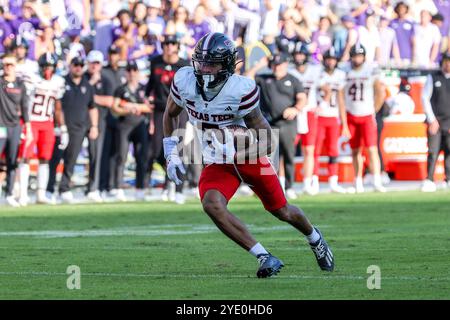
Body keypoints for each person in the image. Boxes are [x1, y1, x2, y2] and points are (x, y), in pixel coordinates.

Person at [162, 32, 334, 278]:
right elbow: (169, 113)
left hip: (250, 157)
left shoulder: (239, 89)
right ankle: (264, 256)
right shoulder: (185, 80)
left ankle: (314, 237)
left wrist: (236, 143)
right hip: (217, 161)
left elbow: (267, 141)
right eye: (201, 61)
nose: (204, 68)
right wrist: (171, 151)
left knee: (281, 210)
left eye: (211, 62)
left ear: (227, 65)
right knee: (211, 204)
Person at [255, 52, 307, 199]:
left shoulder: (293, 80)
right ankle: (270, 188)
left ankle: (289, 186)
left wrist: (295, 108)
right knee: (270, 158)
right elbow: (246, 78)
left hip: (288, 123)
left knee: (289, 155)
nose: (277, 67)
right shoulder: (264, 79)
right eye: (274, 64)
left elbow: (302, 98)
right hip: (269, 123)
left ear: (285, 64)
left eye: (279, 64)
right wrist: (259, 65)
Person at [145, 34, 190, 203]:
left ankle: (178, 188)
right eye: (166, 43)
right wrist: (146, 97)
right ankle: (167, 183)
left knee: (179, 148)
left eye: (173, 43)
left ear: (178, 46)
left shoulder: (184, 65)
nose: (169, 46)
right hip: (160, 110)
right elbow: (150, 85)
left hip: (179, 110)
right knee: (159, 149)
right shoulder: (155, 62)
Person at [17, 53, 66, 206]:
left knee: (45, 158)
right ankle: (23, 194)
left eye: (50, 67)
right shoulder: (31, 79)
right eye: (45, 67)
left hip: (47, 123)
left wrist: (63, 128)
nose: (47, 70)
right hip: (31, 122)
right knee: (25, 156)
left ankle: (41, 194)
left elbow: (57, 108)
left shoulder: (58, 82)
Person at [343, 44, 386, 193]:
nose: (357, 59)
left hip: (367, 115)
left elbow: (381, 91)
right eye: (355, 56)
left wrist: (374, 110)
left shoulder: (371, 70)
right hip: (351, 114)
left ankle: (376, 180)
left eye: (359, 56)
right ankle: (358, 180)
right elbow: (341, 95)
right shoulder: (344, 70)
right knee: (355, 151)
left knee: (372, 149)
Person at [58, 56, 99, 203]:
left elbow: (92, 107)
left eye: (81, 65)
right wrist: (61, 126)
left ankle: (83, 188)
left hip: (83, 126)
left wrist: (94, 126)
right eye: (76, 64)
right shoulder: (62, 82)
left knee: (84, 157)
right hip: (66, 127)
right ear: (70, 66)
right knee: (64, 158)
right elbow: (58, 107)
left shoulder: (87, 85)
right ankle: (57, 188)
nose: (78, 67)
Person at [111, 60, 153, 201]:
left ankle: (140, 188)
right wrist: (127, 109)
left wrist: (132, 106)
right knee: (121, 156)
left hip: (140, 125)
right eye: (129, 70)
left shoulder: (143, 89)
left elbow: (148, 107)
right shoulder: (121, 89)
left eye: (134, 70)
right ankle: (117, 187)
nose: (131, 73)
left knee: (141, 157)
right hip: (124, 125)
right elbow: (115, 108)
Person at [314, 49, 350, 194]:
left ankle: (333, 181)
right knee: (315, 149)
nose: (331, 61)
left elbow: (341, 100)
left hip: (333, 116)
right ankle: (313, 180)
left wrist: (344, 123)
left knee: (333, 150)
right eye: (328, 59)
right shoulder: (318, 73)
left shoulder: (341, 75)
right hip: (319, 115)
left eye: (333, 59)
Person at [289, 43, 322, 195]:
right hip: (294, 113)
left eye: (301, 54)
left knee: (309, 149)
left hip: (309, 112)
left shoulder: (315, 71)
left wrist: (321, 102)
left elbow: (327, 88)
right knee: (287, 150)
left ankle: (307, 182)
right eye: (296, 54)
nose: (299, 57)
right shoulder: (289, 71)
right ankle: (285, 182)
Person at [0, 54, 33, 207]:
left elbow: (25, 107)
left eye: (11, 64)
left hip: (15, 125)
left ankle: (9, 193)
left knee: (13, 160)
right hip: (0, 125)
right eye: (5, 64)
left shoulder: (21, 84)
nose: (8, 67)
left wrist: (28, 127)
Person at [84, 50, 115, 202]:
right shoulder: (83, 78)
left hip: (99, 120)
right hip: (80, 120)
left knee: (96, 154)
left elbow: (109, 101)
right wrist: (89, 87)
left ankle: (93, 187)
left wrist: (88, 95)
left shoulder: (106, 79)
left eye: (97, 63)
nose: (94, 66)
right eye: (92, 63)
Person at [421, 52, 450, 192]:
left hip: (449, 121)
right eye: (446, 61)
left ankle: (448, 178)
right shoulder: (433, 77)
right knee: (433, 151)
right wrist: (432, 119)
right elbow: (425, 98)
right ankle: (429, 179)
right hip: (436, 121)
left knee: (449, 150)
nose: (448, 64)